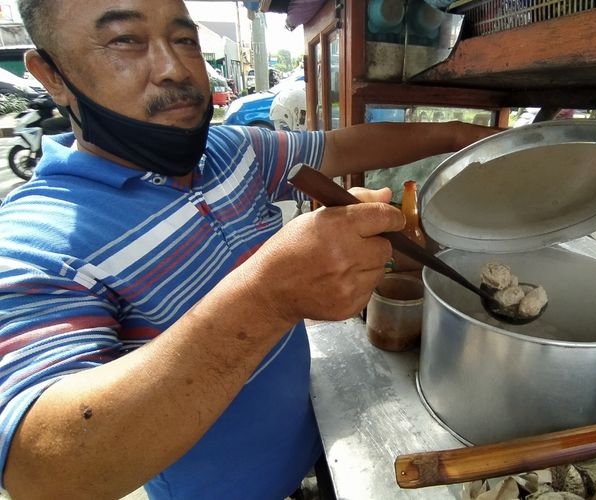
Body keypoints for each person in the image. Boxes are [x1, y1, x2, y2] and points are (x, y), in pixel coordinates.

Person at [0, 1, 498, 498]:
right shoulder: (34, 237)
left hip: (314, 448)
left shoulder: (233, 152)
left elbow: (341, 148)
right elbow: (43, 469)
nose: (175, 69)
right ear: (52, 75)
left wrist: (460, 137)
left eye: (185, 39)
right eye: (125, 41)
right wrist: (268, 296)